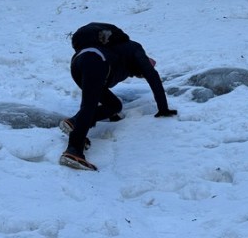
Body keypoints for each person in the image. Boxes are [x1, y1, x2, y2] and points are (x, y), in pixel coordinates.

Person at [60, 23, 177, 170]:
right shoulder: (136, 49)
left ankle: (75, 122)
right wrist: (163, 109)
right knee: (89, 105)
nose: (141, 75)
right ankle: (73, 151)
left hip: (77, 64)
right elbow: (154, 78)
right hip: (95, 61)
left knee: (114, 105)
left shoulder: (120, 55)